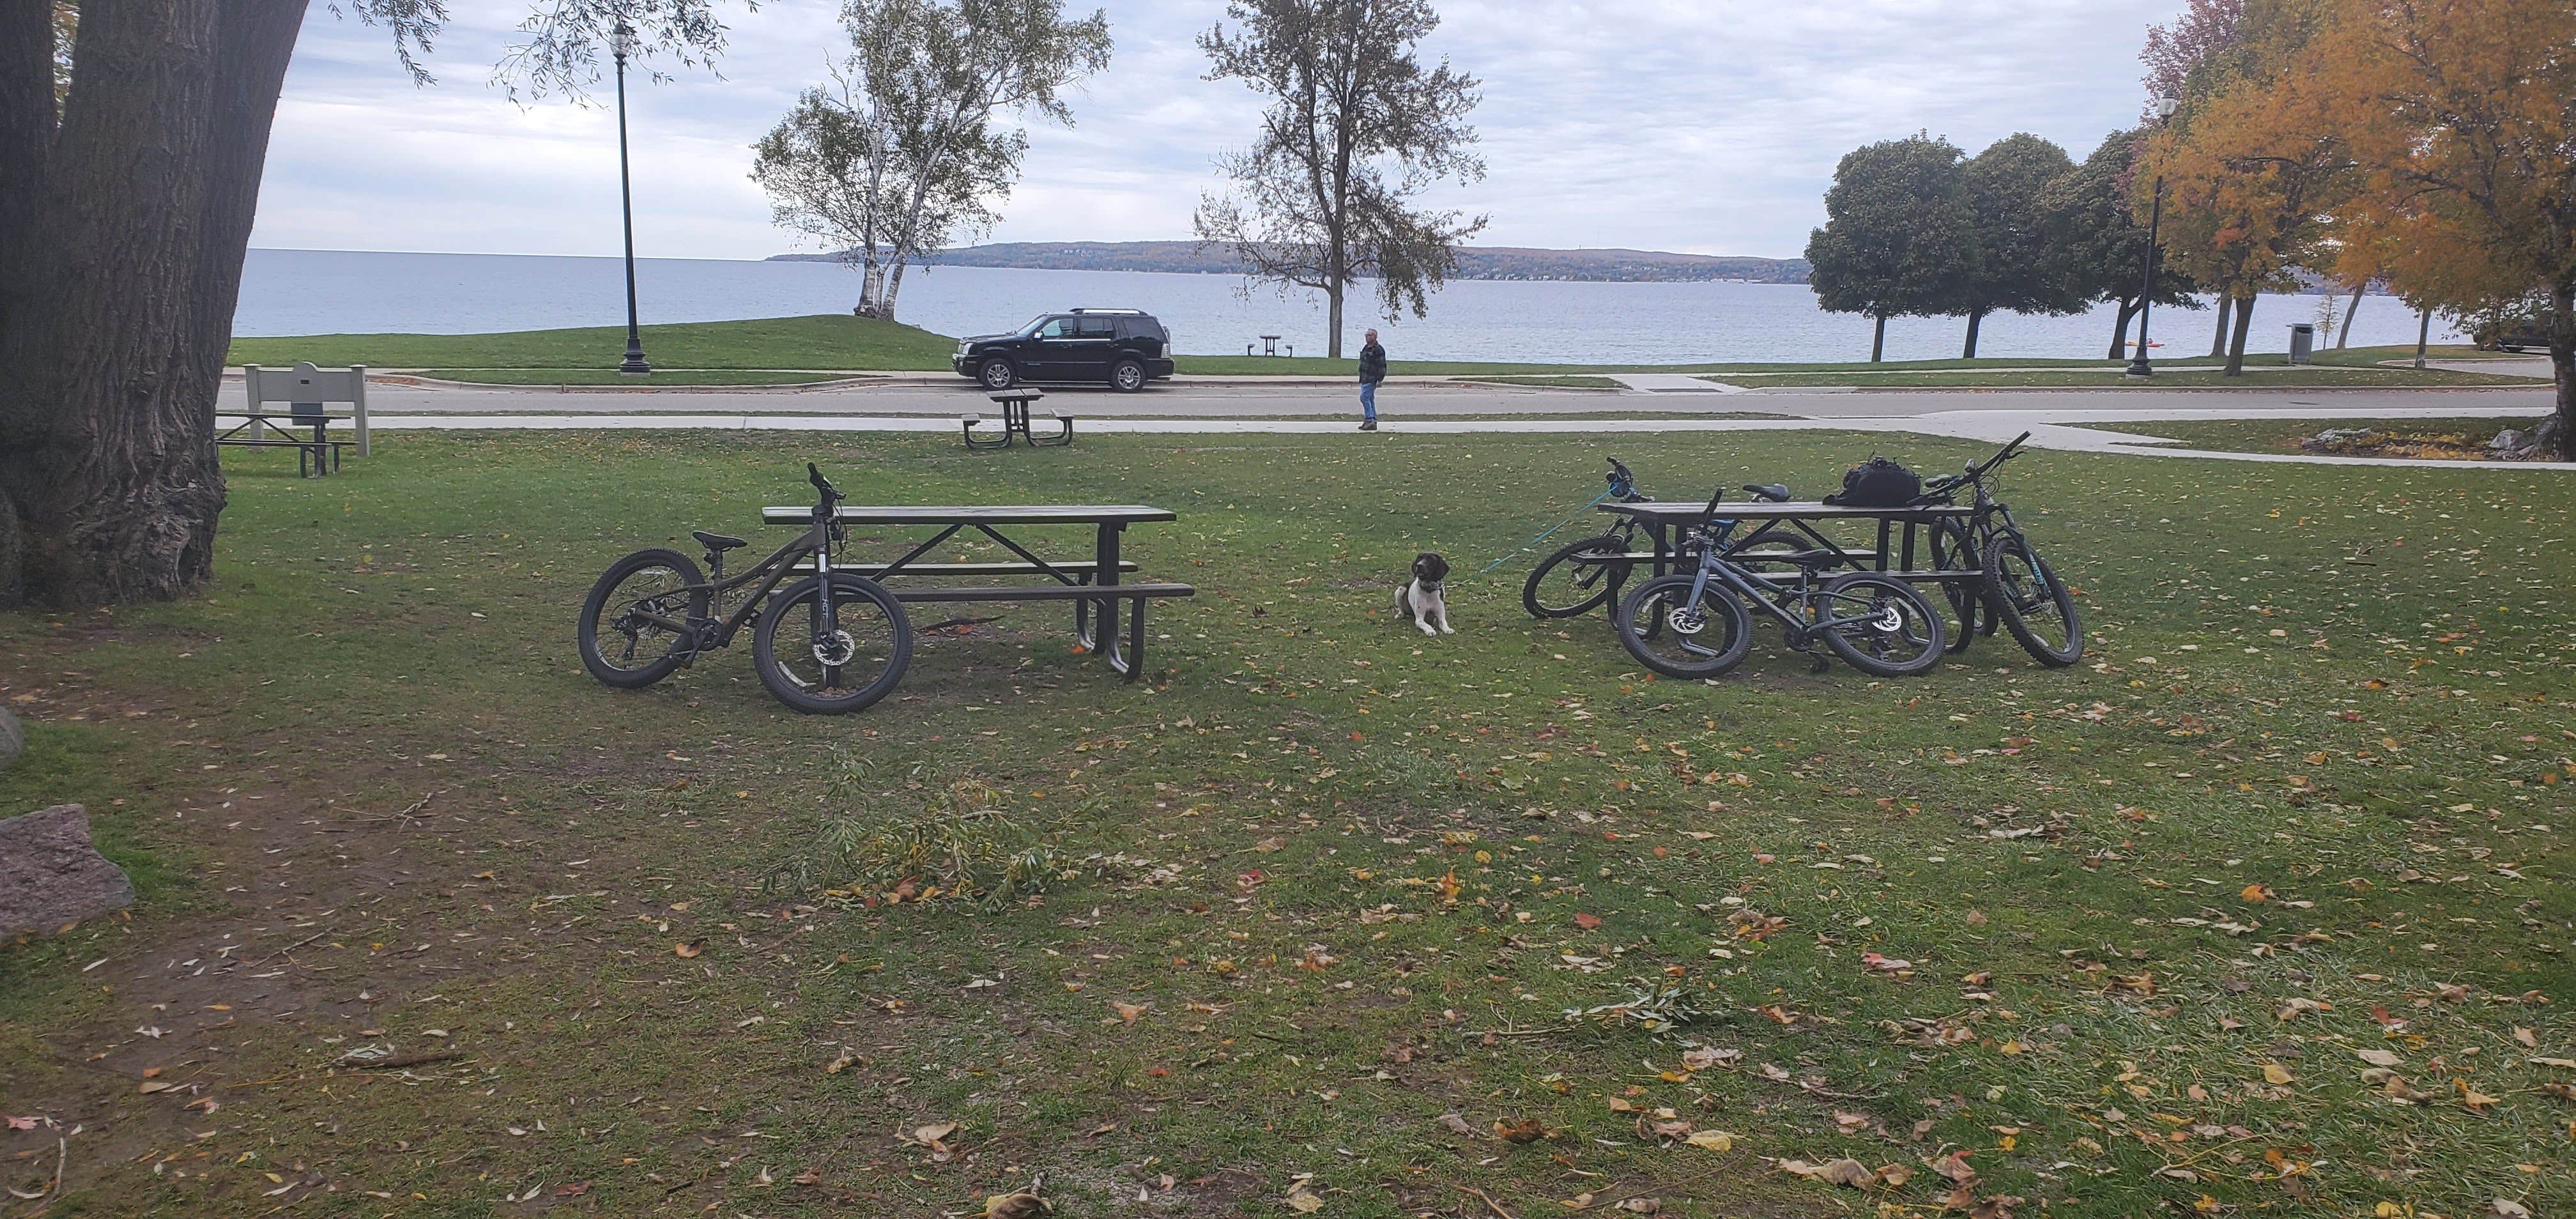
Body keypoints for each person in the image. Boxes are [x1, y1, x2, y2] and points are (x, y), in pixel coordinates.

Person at [1356, 328, 1386, 431]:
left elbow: (1382, 366)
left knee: (1364, 398)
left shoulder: (1379, 350)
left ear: (1374, 337)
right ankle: (1373, 420)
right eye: (1366, 335)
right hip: (1364, 378)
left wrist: (1380, 379)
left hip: (1372, 378)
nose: (1367, 337)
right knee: (1369, 399)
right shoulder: (1366, 348)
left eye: (1369, 335)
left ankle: (1369, 419)